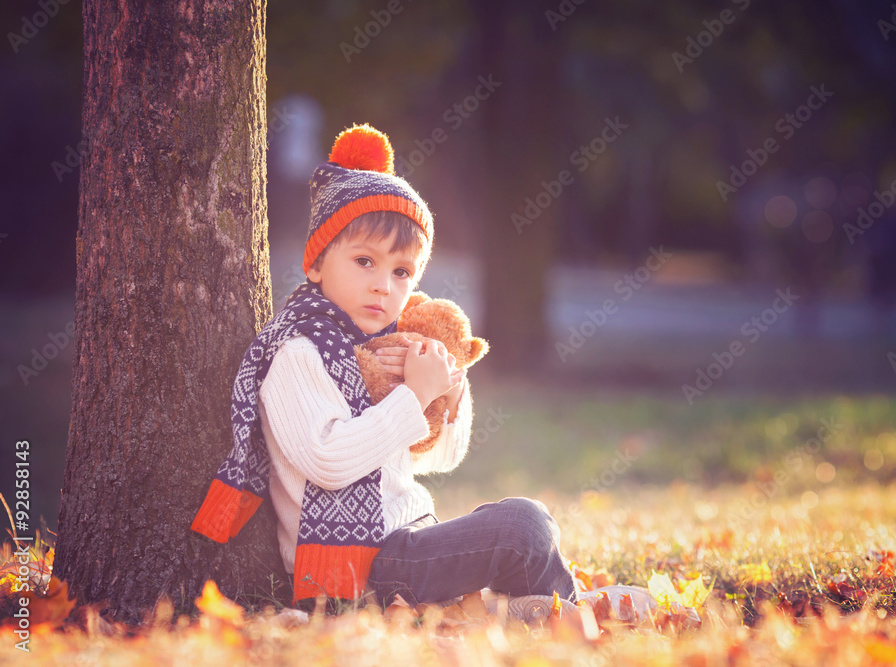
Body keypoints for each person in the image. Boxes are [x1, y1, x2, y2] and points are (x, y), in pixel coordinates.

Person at [191, 123, 654, 624]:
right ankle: (574, 610)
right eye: (364, 262)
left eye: (401, 272)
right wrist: (414, 394)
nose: (382, 287)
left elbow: (437, 458)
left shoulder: (386, 345)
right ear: (317, 264)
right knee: (521, 525)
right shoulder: (299, 353)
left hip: (410, 539)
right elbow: (327, 459)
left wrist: (448, 393)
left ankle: (537, 610)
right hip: (363, 566)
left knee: (526, 519)